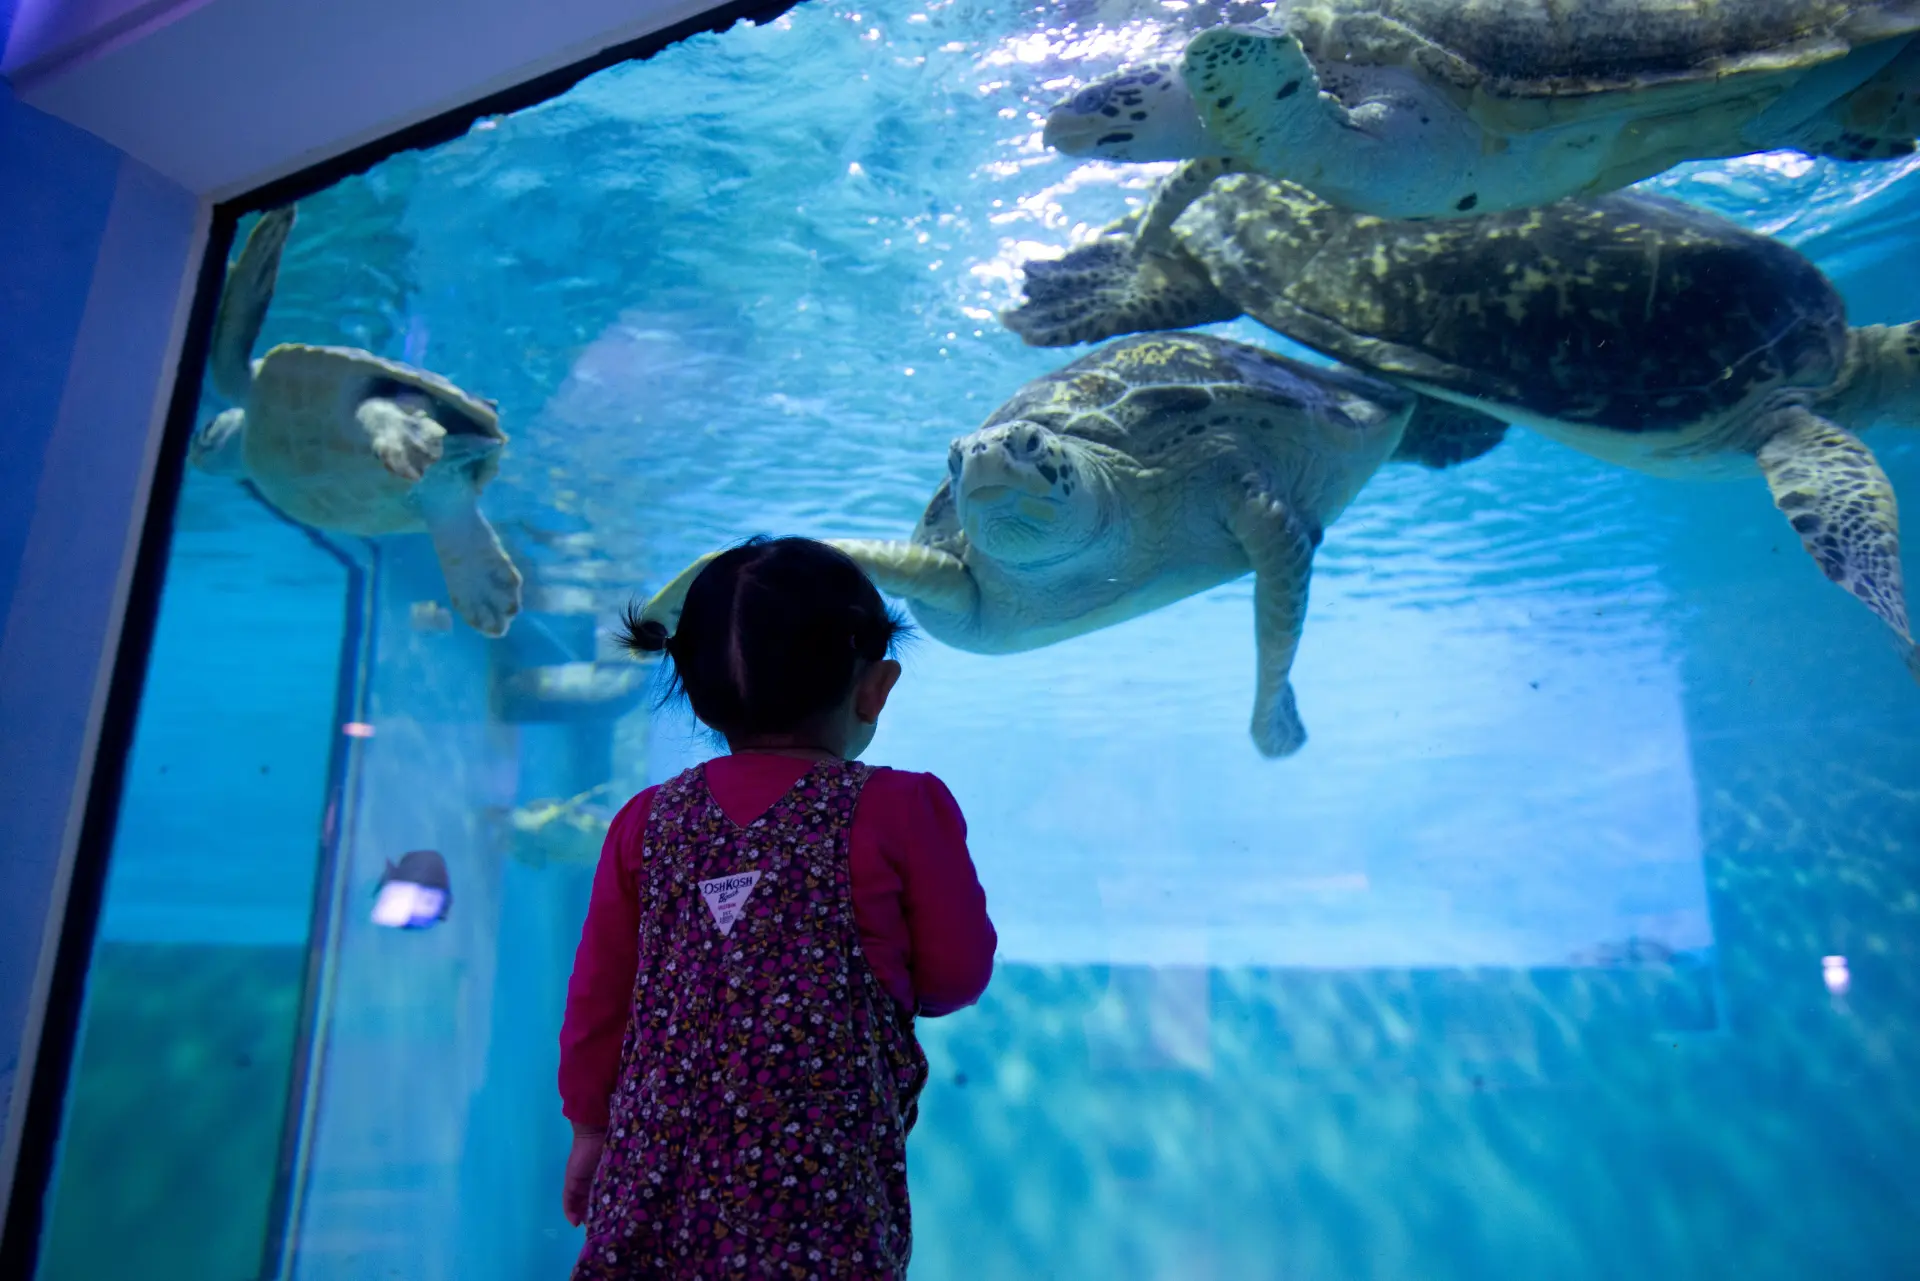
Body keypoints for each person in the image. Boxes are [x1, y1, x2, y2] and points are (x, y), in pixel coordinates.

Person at [559, 535, 997, 1280]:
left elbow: (601, 999)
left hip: (652, 1194)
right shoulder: (900, 808)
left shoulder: (646, 821)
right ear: (876, 686)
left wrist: (590, 1128)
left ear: (693, 691)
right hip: (820, 1211)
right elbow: (955, 975)